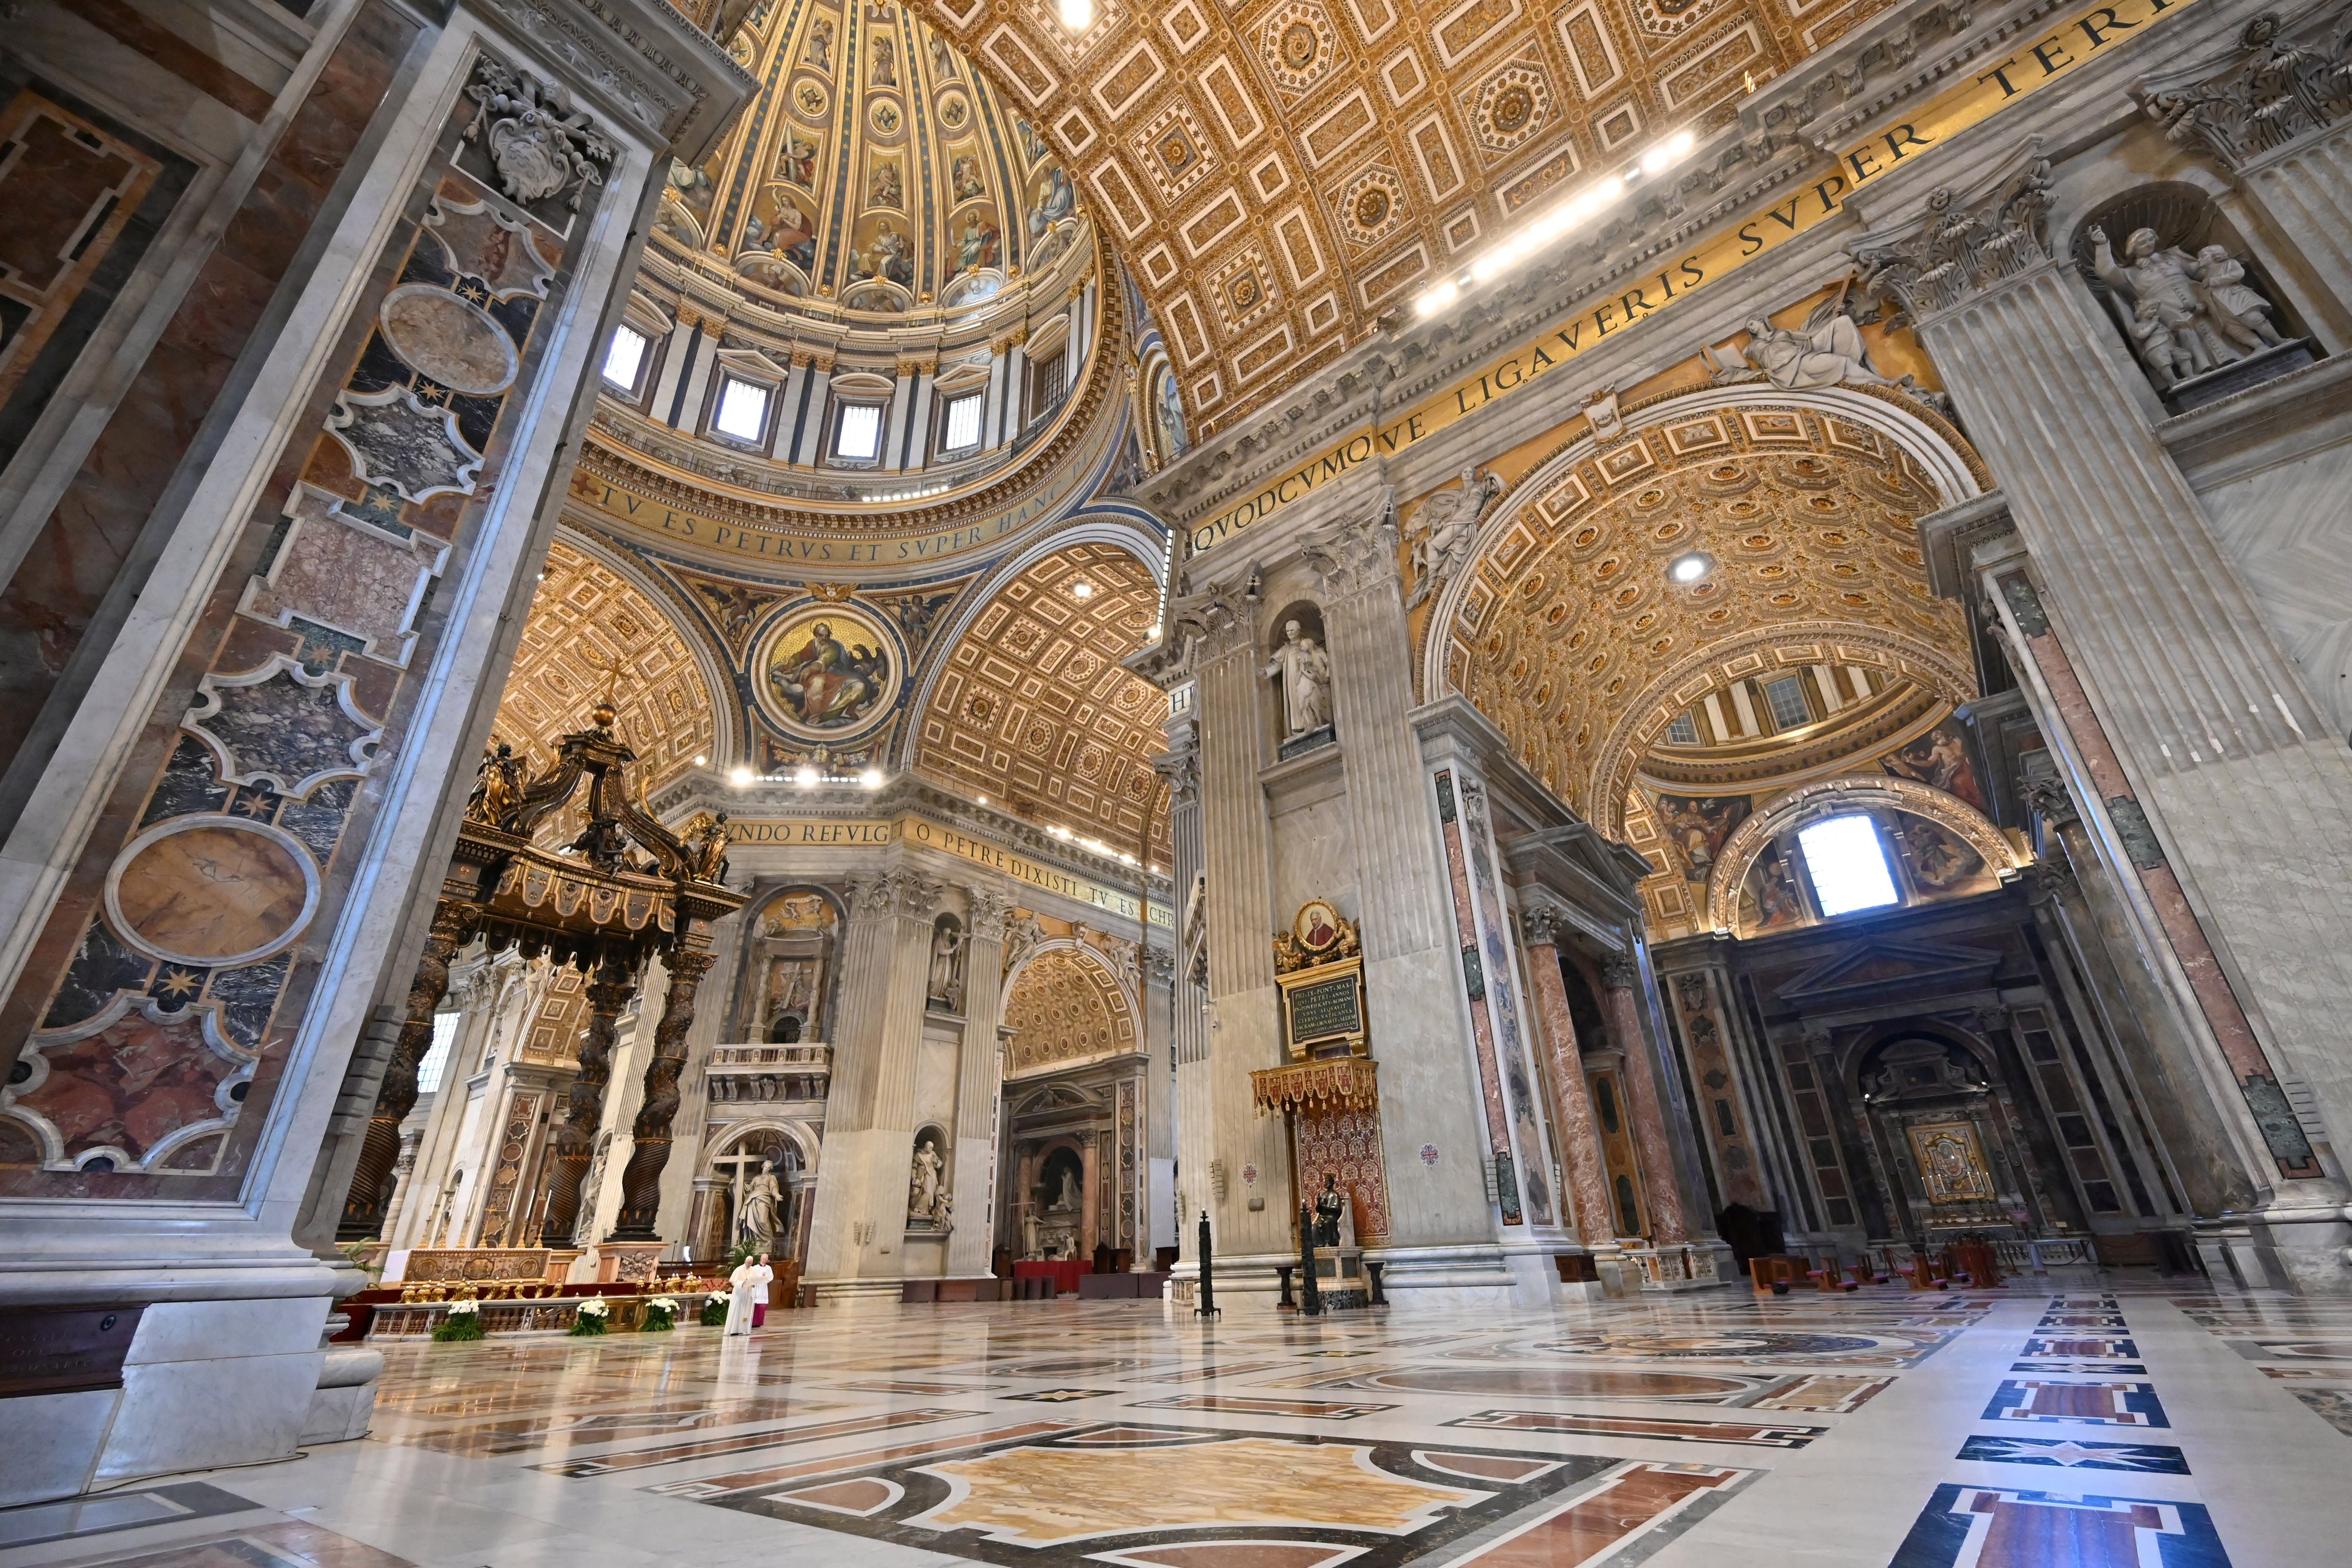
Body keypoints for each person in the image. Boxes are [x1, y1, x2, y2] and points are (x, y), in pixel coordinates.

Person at [1262, 619, 1332, 740]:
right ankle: (1300, 727)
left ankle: (1316, 722)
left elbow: (1317, 659)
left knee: (1311, 698)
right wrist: (1265, 671)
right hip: (1292, 682)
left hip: (1306, 678)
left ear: (1299, 630)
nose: (1289, 633)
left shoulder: (1306, 645)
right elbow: (1277, 664)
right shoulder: (1287, 649)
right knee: (1296, 703)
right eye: (1288, 631)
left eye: (1292, 630)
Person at [724, 1254, 773, 1335]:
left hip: (748, 1294)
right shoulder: (739, 1269)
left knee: (746, 1312)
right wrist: (742, 1283)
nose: (749, 1265)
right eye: (748, 1263)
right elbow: (733, 1281)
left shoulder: (753, 1270)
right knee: (738, 1312)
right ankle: (734, 1330)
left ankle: (744, 1330)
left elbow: (755, 1280)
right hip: (740, 1294)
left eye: (751, 1263)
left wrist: (755, 1282)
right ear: (745, 1262)